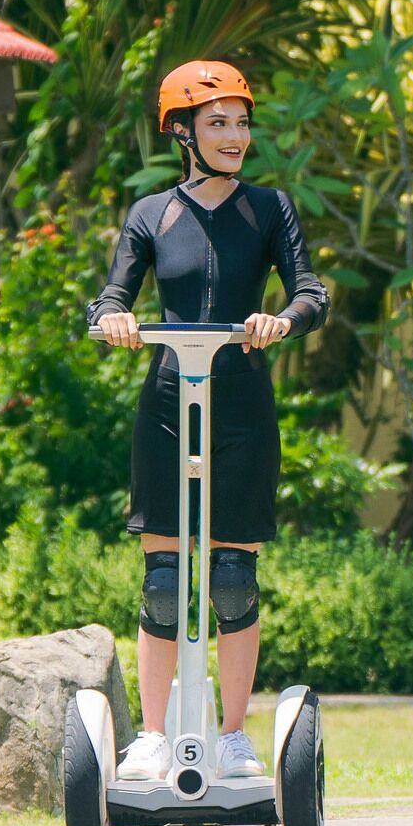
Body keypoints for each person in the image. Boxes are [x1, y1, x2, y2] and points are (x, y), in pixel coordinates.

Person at [90, 60, 330, 782]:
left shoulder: (268, 208)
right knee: (164, 579)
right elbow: (108, 298)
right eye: (218, 123)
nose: (235, 136)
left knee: (232, 577)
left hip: (243, 405)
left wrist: (280, 319)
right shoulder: (151, 214)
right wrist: (116, 321)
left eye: (242, 122)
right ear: (183, 131)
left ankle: (231, 737)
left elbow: (310, 291)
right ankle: (155, 736)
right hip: (167, 404)